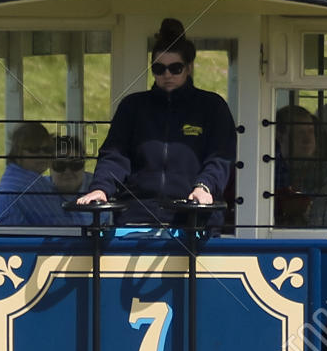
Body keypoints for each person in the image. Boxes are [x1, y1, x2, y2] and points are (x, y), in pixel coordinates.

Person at [77, 19, 236, 225]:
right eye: (159, 69)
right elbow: (115, 156)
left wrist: (204, 187)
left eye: (175, 68)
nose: (167, 74)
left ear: (188, 68)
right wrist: (100, 188)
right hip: (136, 219)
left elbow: (221, 158)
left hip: (194, 218)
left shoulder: (212, 107)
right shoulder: (132, 106)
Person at [273, 103, 327, 226]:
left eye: (310, 131)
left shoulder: (326, 172)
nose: (308, 139)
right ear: (280, 136)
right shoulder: (266, 167)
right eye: (300, 133)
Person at [0, 121, 59, 226]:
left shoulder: (11, 177)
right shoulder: (30, 183)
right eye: (33, 149)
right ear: (17, 152)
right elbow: (62, 225)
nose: (42, 154)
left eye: (47, 149)